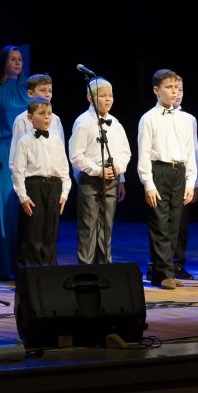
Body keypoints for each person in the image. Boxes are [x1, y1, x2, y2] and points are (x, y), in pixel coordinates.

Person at [137, 69, 197, 290]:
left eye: (176, 87)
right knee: (160, 224)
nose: (174, 92)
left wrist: (190, 182)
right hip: (159, 171)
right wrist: (148, 184)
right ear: (156, 90)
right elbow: (144, 153)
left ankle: (161, 271)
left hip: (179, 172)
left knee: (174, 225)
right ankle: (165, 273)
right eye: (169, 87)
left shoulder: (185, 119)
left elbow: (190, 152)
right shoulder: (148, 118)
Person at [68, 76, 131, 265]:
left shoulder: (115, 122)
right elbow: (76, 156)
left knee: (106, 227)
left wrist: (119, 169)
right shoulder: (83, 122)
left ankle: (105, 267)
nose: (108, 99)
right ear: (90, 98)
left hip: (111, 178)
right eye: (103, 96)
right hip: (90, 179)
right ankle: (86, 268)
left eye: (110, 95)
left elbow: (125, 152)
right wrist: (97, 170)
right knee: (88, 226)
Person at [0, 45, 30, 279]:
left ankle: (23, 262)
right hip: (2, 150)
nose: (18, 62)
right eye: (13, 59)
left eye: (20, 59)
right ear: (4, 62)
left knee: (23, 206)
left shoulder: (27, 89)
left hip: (25, 150)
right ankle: (3, 264)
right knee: (5, 208)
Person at [11, 98, 71, 267]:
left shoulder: (56, 140)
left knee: (51, 233)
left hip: (54, 187)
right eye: (42, 113)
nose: (47, 117)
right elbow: (18, 171)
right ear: (30, 118)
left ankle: (49, 273)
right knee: (33, 233)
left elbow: (64, 170)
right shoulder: (24, 141)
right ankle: (33, 274)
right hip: (34, 187)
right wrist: (23, 197)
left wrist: (64, 193)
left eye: (49, 114)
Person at [172, 75, 198, 280]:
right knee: (164, 223)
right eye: (173, 89)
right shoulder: (154, 117)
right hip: (165, 171)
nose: (177, 94)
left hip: (184, 173)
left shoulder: (189, 119)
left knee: (181, 223)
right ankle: (160, 263)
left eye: (181, 90)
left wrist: (195, 181)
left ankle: (178, 262)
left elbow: (194, 150)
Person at [9, 73, 65, 170]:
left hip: (53, 175)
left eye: (50, 91)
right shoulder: (22, 120)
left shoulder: (56, 119)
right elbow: (15, 158)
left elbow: (61, 152)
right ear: (30, 93)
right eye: (43, 91)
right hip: (31, 175)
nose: (47, 94)